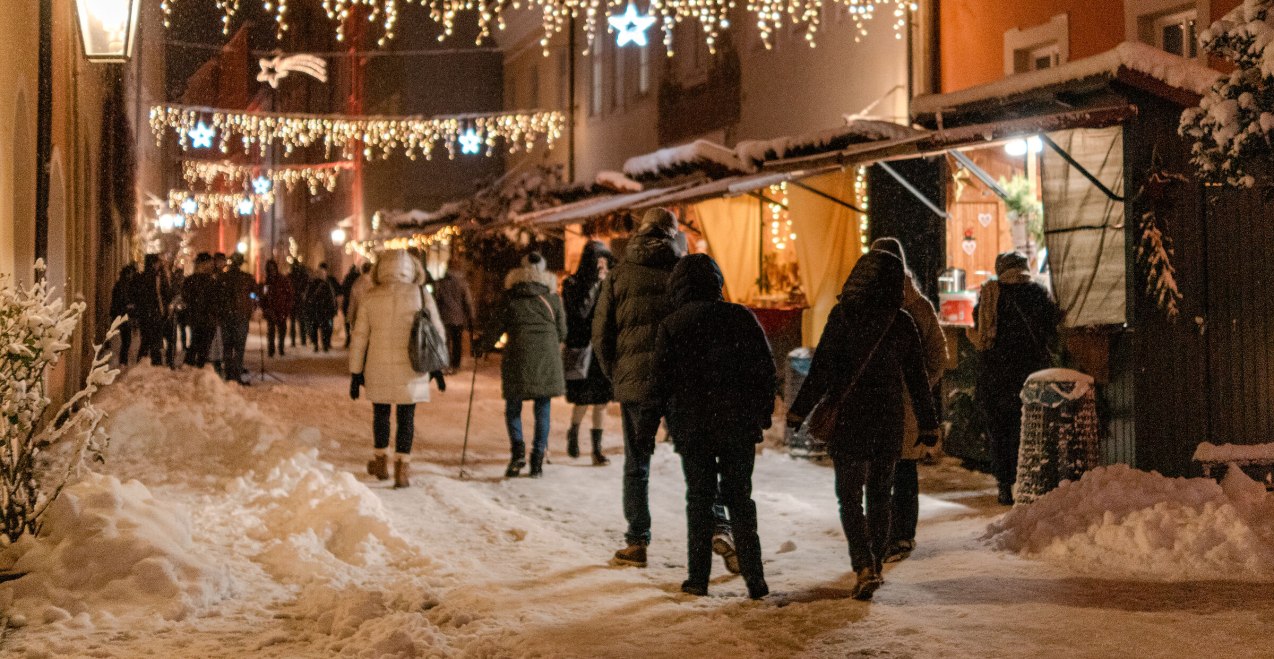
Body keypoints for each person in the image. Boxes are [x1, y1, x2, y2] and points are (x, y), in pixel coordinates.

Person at [786, 249, 941, 601]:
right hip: (888, 420)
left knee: (850, 497)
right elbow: (916, 378)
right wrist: (928, 425)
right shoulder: (901, 322)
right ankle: (875, 561)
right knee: (879, 494)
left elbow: (821, 369)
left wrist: (798, 413)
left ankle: (863, 565)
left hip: (851, 419)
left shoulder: (843, 316)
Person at [593, 207, 734, 570]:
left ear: (640, 232)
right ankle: (718, 526)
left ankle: (637, 542)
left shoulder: (620, 274)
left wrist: (619, 374)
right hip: (681, 382)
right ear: (673, 234)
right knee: (698, 459)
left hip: (636, 384)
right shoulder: (684, 271)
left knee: (637, 464)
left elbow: (601, 334)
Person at [654, 254, 774, 600]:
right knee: (740, 499)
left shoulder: (673, 325)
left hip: (693, 427)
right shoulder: (741, 317)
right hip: (737, 425)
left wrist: (648, 427)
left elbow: (660, 382)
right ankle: (755, 578)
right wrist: (761, 415)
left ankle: (698, 578)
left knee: (700, 499)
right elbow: (765, 370)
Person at [871, 238, 948, 563]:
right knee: (904, 468)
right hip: (909, 402)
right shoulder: (920, 306)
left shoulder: (867, 302)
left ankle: (885, 535)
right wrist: (919, 385)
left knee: (880, 470)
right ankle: (903, 534)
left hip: (877, 399)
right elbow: (939, 356)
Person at [967, 251, 1060, 506]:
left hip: (995, 376)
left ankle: (1004, 485)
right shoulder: (1039, 295)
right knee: (1027, 431)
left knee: (1000, 432)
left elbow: (980, 328)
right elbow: (1052, 327)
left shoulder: (990, 296)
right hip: (1030, 375)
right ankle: (1028, 481)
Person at [349, 250, 446, 489]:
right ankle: (402, 469)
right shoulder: (421, 294)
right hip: (412, 366)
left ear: (380, 268)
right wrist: (438, 368)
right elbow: (436, 332)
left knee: (380, 414)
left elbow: (360, 337)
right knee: (406, 417)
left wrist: (355, 372)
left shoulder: (371, 296)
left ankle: (380, 462)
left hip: (377, 365)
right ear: (412, 269)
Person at [481, 253, 567, 479]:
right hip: (546, 358)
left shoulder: (510, 298)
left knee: (513, 408)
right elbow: (563, 332)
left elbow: (496, 327)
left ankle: (517, 453)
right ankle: (537, 460)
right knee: (543, 409)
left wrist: (481, 345)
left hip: (517, 356)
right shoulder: (553, 299)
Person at [562, 240, 615, 465]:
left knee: (602, 400)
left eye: (605, 259)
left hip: (604, 349)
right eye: (598, 259)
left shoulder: (611, 283)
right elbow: (580, 313)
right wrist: (594, 287)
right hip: (584, 348)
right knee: (583, 399)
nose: (601, 264)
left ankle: (596, 449)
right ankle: (574, 431)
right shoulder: (573, 284)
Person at [432, 258, 477, 374]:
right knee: (457, 342)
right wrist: (471, 315)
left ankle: (446, 364)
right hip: (458, 318)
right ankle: (455, 365)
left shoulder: (441, 282)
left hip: (444, 317)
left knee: (445, 341)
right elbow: (467, 301)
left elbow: (436, 299)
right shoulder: (462, 283)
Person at [219, 253, 257, 384]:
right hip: (240, 316)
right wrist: (252, 304)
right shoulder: (247, 278)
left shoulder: (223, 278)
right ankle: (236, 374)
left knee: (228, 346)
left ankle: (230, 374)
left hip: (228, 316)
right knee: (239, 347)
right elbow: (254, 294)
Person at [131, 254, 171, 366]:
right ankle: (155, 362)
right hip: (154, 313)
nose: (159, 265)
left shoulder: (141, 278)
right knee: (155, 340)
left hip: (147, 314)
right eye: (158, 263)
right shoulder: (156, 278)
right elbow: (163, 295)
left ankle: (142, 362)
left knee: (146, 340)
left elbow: (136, 296)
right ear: (153, 264)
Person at [182, 253, 218, 368]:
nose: (211, 265)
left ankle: (192, 367)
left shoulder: (194, 280)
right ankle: (194, 368)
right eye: (209, 263)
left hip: (202, 318)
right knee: (200, 346)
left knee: (198, 345)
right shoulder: (205, 280)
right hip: (204, 318)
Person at [261, 259, 294, 358]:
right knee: (271, 331)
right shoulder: (267, 282)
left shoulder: (282, 280)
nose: (271, 271)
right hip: (272, 310)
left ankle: (281, 348)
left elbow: (289, 295)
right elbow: (264, 296)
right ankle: (272, 349)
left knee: (281, 330)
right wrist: (265, 307)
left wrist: (286, 307)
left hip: (281, 309)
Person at [307, 263, 340, 352]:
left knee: (315, 328)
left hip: (315, 310)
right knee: (325, 328)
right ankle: (325, 345)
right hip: (324, 311)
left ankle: (316, 345)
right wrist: (332, 309)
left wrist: (308, 308)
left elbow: (308, 298)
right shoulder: (327, 284)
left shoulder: (312, 284)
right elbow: (331, 298)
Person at [109, 264, 136, 366]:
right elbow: (121, 301)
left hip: (119, 315)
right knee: (126, 339)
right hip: (121, 315)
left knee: (125, 339)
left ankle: (122, 361)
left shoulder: (121, 284)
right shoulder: (122, 285)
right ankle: (122, 361)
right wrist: (128, 306)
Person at [346, 262, 374, 334]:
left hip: (358, 316)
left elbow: (352, 302)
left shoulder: (356, 283)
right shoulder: (373, 284)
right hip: (371, 316)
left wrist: (350, 318)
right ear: (371, 270)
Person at [288, 262, 311, 348]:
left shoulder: (292, 276)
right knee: (301, 322)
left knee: (295, 322)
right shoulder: (303, 276)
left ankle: (294, 340)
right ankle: (303, 340)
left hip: (294, 301)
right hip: (299, 302)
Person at [341, 264, 360, 348]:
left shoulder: (347, 277)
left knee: (347, 322)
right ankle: (355, 338)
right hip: (358, 303)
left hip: (347, 302)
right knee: (357, 322)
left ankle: (348, 338)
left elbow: (343, 289)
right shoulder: (359, 278)